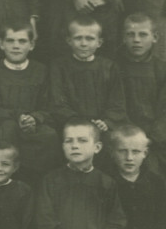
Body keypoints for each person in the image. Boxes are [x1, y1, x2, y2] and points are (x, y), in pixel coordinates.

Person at [117, 13, 166, 226]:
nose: (137, 40)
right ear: (123, 38)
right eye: (131, 35)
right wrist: (131, 138)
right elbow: (115, 107)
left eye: (143, 34)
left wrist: (154, 137)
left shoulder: (164, 70)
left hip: (159, 139)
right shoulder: (115, 69)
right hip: (127, 137)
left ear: (155, 37)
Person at [0, 22, 58, 179]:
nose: (16, 46)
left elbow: (49, 104)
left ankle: (42, 181)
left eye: (22, 41)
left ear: (32, 45)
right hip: (3, 126)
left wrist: (35, 118)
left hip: (34, 126)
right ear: (1, 44)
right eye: (10, 41)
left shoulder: (40, 70)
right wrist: (18, 116)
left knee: (50, 135)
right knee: (7, 129)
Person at [49, 16, 128, 152]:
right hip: (70, 125)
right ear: (69, 41)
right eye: (78, 38)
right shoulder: (59, 66)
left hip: (102, 125)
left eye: (90, 38)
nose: (84, 44)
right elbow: (57, 102)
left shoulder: (109, 67)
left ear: (99, 42)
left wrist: (106, 122)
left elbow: (117, 102)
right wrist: (77, 121)